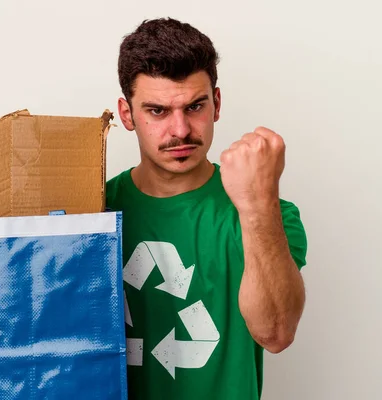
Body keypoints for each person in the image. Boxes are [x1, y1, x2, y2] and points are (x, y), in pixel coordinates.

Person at [106, 17, 308, 400]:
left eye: (194, 106)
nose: (180, 130)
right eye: (158, 111)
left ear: (216, 103)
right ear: (127, 114)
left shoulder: (269, 214)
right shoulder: (95, 214)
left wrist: (256, 203)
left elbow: (276, 334)